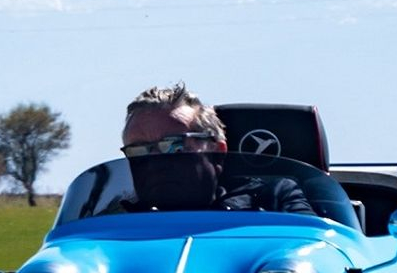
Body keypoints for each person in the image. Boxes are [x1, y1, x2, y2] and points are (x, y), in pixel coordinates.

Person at [121, 84, 311, 214]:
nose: (155, 163)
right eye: (139, 151)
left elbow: (313, 247)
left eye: (174, 146)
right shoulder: (111, 221)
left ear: (217, 152)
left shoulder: (272, 200)